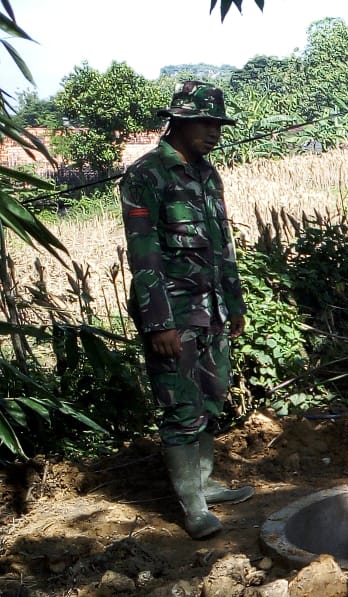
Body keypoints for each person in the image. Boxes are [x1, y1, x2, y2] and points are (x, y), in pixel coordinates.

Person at [120, 80, 253, 539]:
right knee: (180, 407)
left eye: (218, 123)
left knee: (212, 400)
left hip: (213, 311)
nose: (214, 131)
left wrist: (234, 303)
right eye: (206, 122)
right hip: (174, 315)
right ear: (178, 120)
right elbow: (144, 253)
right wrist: (159, 321)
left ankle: (204, 483)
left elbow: (224, 244)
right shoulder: (146, 175)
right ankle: (193, 507)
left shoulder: (207, 175)